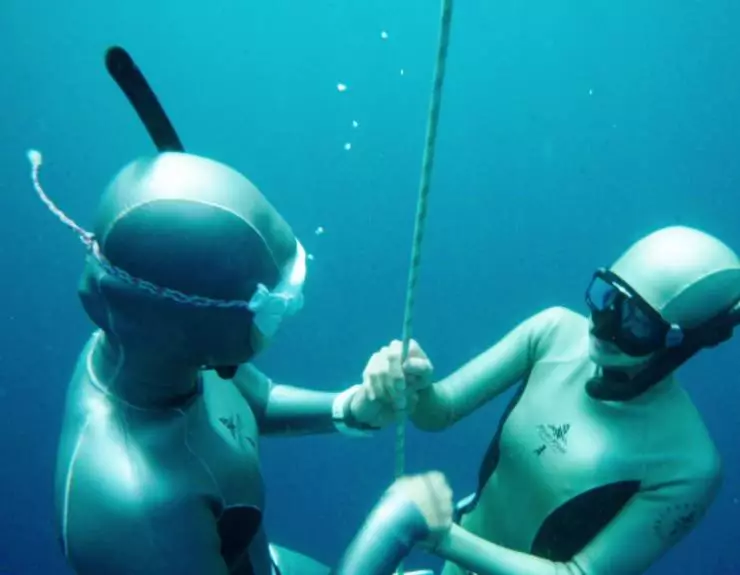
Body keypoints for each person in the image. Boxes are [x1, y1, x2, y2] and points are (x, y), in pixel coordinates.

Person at [33, 149, 445, 575]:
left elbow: (255, 400)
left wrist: (354, 407)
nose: (294, 308)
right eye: (277, 305)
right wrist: (390, 534)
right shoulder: (134, 511)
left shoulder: (161, 351)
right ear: (195, 325)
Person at [366, 226, 740, 575]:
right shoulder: (553, 332)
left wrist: (442, 536)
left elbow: (579, 573)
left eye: (636, 323)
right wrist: (417, 386)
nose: (602, 326)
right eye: (606, 296)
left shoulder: (690, 466)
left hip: (451, 546)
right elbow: (440, 412)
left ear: (681, 342)